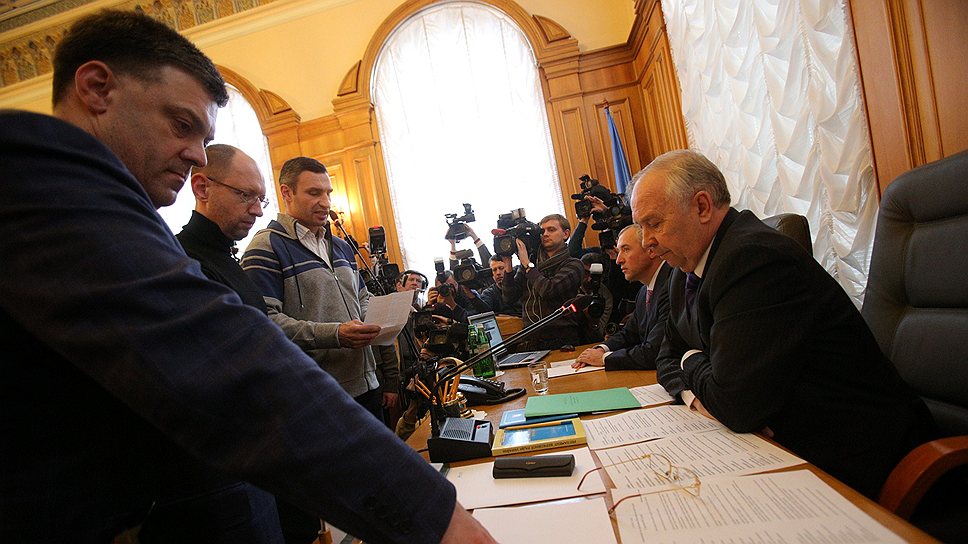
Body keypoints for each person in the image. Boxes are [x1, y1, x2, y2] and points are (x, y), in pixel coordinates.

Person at [0, 10, 493, 543]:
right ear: (98, 88)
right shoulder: (42, 186)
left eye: (203, 137)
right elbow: (237, 368)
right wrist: (436, 519)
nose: (196, 156)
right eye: (181, 124)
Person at [632, 149, 936, 499]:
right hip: (778, 447)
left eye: (654, 223)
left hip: (863, 464)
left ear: (702, 207)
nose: (646, 242)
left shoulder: (751, 259)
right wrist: (696, 395)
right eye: (641, 227)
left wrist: (689, 360)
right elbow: (665, 357)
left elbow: (733, 404)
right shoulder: (682, 270)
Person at [241, 156, 397, 422]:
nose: (325, 202)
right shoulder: (266, 247)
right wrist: (335, 334)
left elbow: (361, 296)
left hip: (368, 384)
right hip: (316, 395)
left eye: (328, 193)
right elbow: (264, 322)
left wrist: (380, 318)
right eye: (314, 193)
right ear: (287, 193)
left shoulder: (342, 246)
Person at [572, 223, 670, 371]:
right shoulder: (644, 291)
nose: (618, 260)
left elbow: (654, 351)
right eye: (618, 252)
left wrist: (604, 359)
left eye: (626, 249)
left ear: (651, 250)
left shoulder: (671, 286)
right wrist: (602, 349)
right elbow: (629, 334)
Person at [502, 213, 584, 350]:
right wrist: (508, 265)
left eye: (551, 230)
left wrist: (527, 264)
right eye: (542, 231)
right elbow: (509, 297)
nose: (545, 234)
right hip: (531, 337)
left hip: (562, 338)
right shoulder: (531, 263)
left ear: (565, 234)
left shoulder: (574, 265)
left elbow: (548, 290)